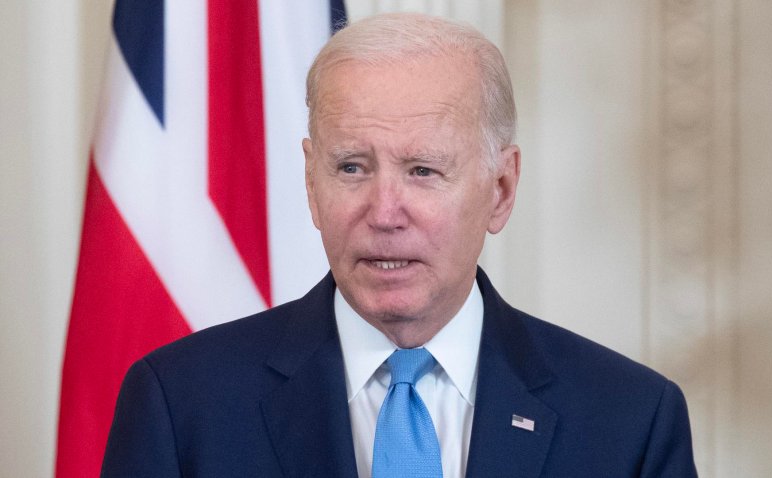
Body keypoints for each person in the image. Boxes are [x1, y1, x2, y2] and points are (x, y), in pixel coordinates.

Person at [101, 12, 697, 478]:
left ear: (501, 188)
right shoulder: (181, 407)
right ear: (311, 183)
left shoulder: (629, 420)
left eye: (423, 171)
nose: (385, 213)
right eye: (353, 167)